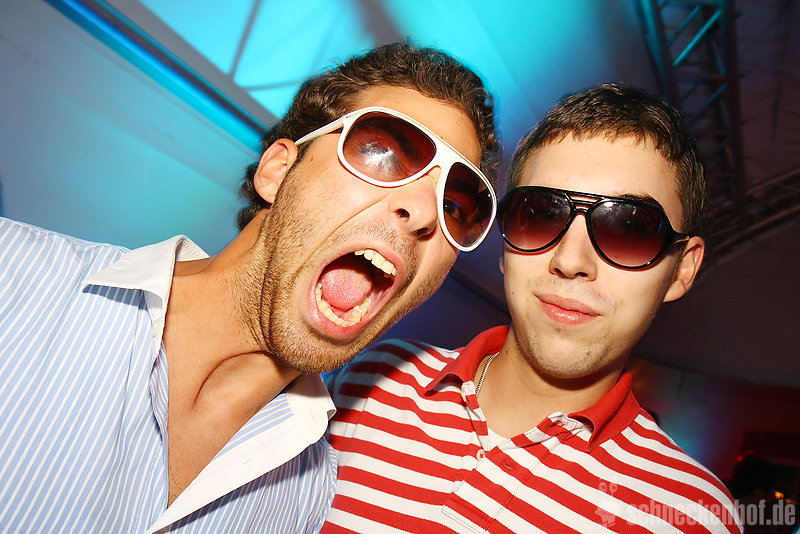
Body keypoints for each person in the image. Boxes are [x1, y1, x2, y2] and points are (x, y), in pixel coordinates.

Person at [0, 43, 499, 533]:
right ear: (278, 172)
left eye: (454, 207)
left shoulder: (306, 497)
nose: (425, 212)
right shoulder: (14, 275)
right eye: (381, 153)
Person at [324, 83, 743, 533]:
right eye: (541, 214)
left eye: (629, 229)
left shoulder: (693, 516)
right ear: (506, 246)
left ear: (681, 269)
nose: (570, 260)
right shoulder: (374, 379)